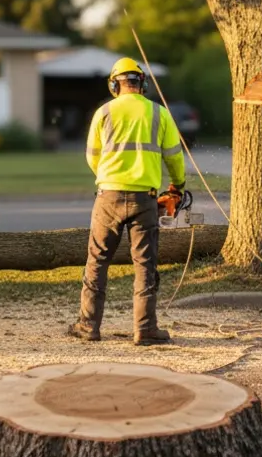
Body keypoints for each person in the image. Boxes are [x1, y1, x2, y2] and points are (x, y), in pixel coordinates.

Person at [68, 57, 187, 346]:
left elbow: (92, 156)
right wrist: (177, 186)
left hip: (107, 196)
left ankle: (88, 327)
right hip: (144, 198)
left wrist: (109, 179)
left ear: (114, 84)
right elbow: (173, 156)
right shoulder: (159, 113)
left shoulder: (103, 112)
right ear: (142, 84)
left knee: (97, 261)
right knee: (145, 264)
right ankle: (145, 330)